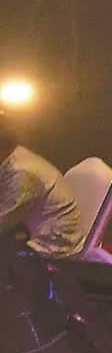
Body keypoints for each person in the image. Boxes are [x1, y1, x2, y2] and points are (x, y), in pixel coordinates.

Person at [0, 106, 88, 258]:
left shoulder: (22, 173)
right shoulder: (11, 156)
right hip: (26, 232)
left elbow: (3, 222)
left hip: (53, 249)